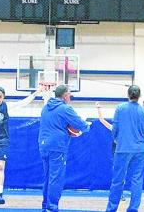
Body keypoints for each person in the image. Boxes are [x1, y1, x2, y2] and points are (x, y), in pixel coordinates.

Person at [38, 84, 90, 212]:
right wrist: (85, 127)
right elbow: (81, 125)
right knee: (56, 178)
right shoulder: (65, 109)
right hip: (57, 147)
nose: (70, 97)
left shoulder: (45, 107)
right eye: (70, 95)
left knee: (48, 177)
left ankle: (45, 206)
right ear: (65, 95)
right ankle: (52, 207)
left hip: (43, 145)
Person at [105, 85, 144, 212]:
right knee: (137, 181)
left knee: (117, 180)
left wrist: (115, 140)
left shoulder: (120, 108)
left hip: (122, 148)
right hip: (140, 150)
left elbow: (114, 128)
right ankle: (133, 209)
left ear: (128, 95)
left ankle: (111, 209)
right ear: (139, 96)